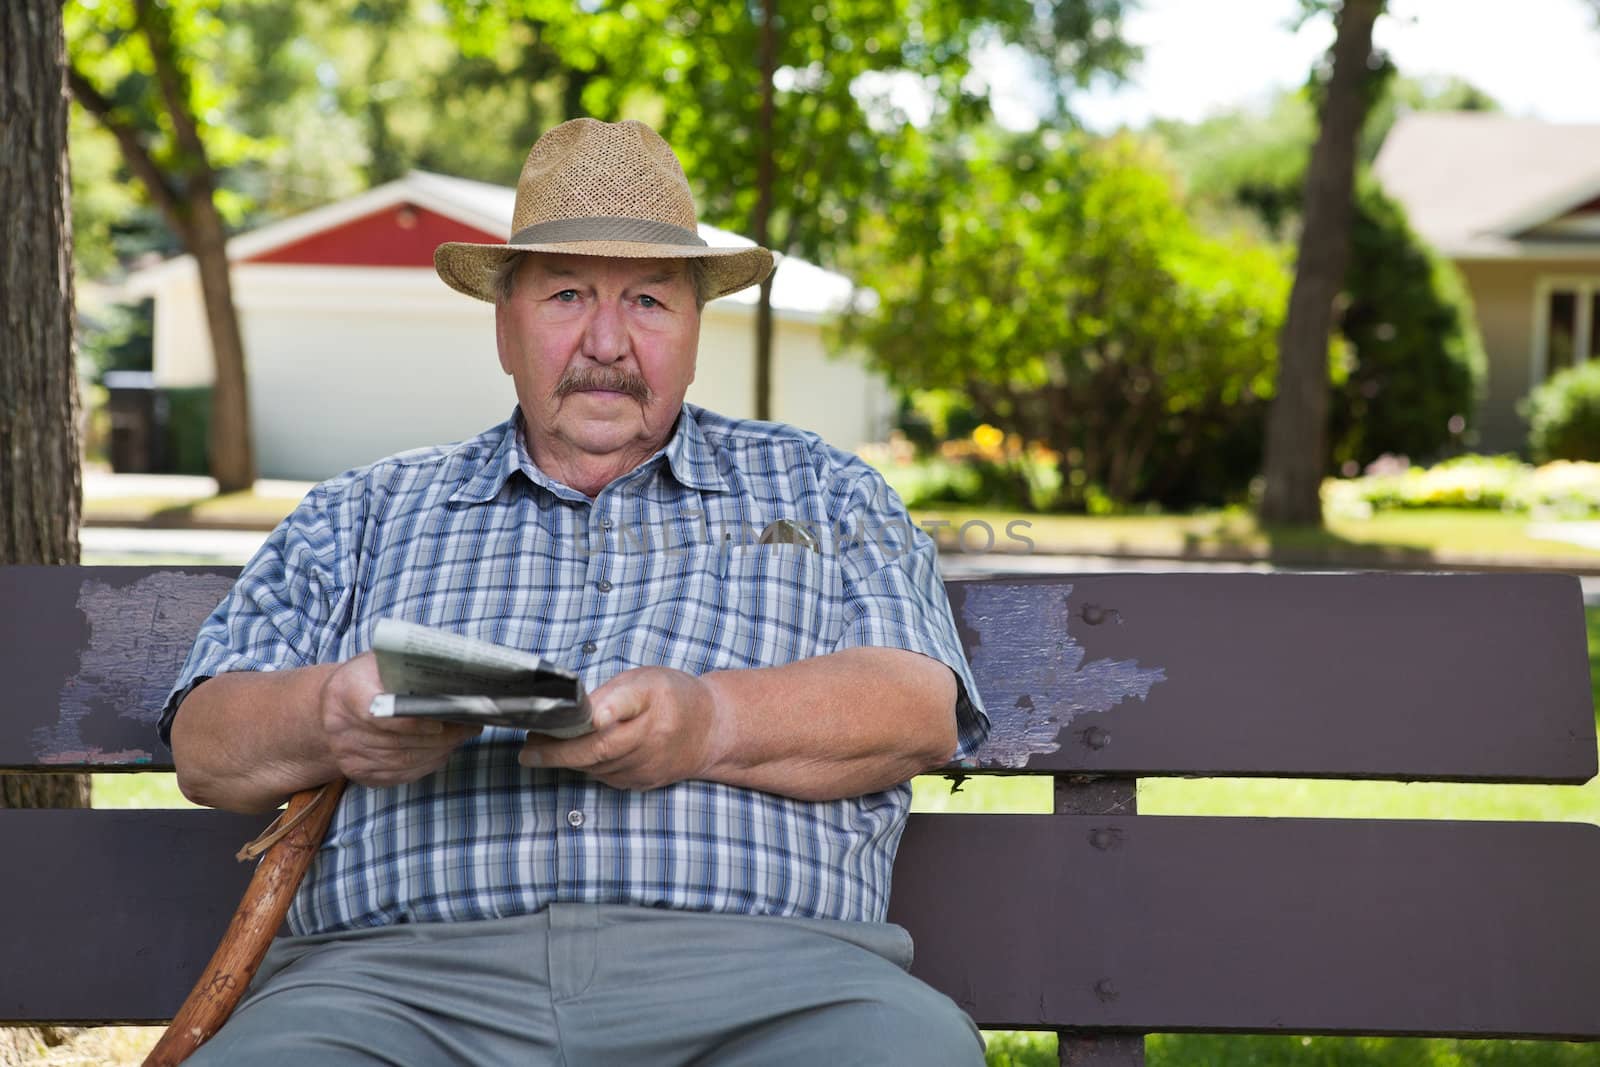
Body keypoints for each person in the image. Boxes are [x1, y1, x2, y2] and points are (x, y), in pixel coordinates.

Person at [163, 117, 989, 1066]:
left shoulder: (828, 492)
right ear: (505, 322)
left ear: (693, 328)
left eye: (647, 299)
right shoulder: (362, 510)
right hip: (397, 998)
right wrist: (327, 714)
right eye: (565, 294)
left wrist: (709, 720)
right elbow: (204, 743)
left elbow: (918, 708)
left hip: (776, 991)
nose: (607, 341)